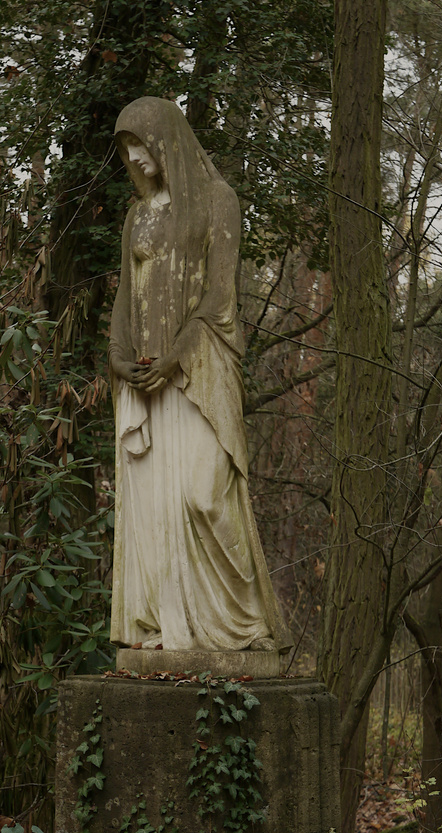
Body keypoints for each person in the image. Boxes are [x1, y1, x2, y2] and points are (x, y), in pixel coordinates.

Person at [108, 96, 292, 654]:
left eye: (141, 144)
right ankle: (171, 628)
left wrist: (176, 357)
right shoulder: (137, 216)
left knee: (203, 496)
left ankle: (245, 625)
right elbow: (123, 294)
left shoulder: (218, 201)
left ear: (167, 139)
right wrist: (119, 357)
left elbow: (219, 295)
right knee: (154, 510)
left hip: (200, 371)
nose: (135, 159)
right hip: (144, 380)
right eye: (126, 149)